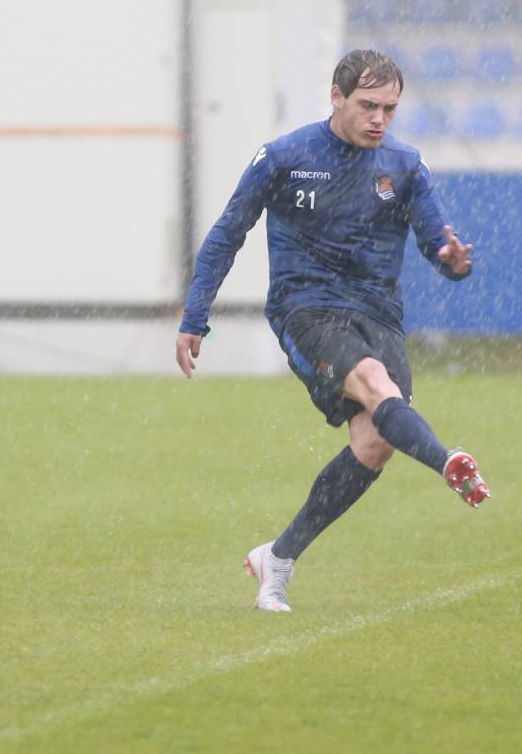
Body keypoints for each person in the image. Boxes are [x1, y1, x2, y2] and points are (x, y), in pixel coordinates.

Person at [175, 48, 489, 613]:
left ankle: (280, 556)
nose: (379, 119)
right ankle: (447, 461)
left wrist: (453, 261)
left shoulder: (406, 166)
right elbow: (227, 233)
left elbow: (436, 245)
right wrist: (196, 315)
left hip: (379, 313)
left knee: (374, 443)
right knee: (373, 383)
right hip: (307, 308)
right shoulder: (284, 157)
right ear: (337, 98)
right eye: (368, 105)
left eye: (390, 109)